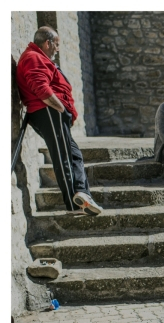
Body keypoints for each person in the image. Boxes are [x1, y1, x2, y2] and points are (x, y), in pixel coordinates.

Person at [16, 26, 102, 216]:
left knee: (74, 154)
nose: (57, 49)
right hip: (47, 111)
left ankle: (82, 193)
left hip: (52, 112)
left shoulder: (38, 57)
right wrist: (61, 108)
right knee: (62, 157)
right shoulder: (33, 57)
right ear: (47, 43)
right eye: (56, 44)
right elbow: (41, 88)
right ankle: (73, 205)